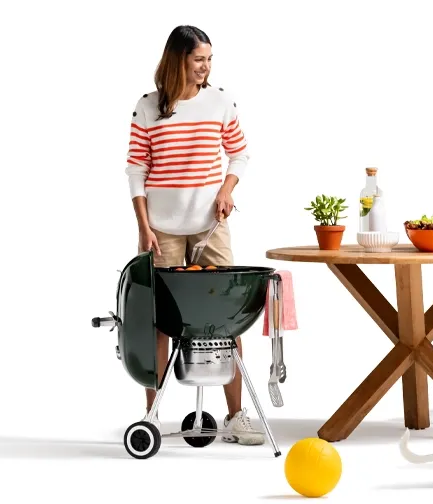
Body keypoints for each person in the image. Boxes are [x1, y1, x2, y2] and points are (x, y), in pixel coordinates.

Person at [121, 25, 263, 446]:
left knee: (228, 318)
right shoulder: (148, 108)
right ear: (177, 60)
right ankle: (151, 415)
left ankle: (236, 415)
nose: (206, 67)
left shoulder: (220, 101)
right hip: (161, 230)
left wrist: (226, 191)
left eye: (209, 59)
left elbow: (239, 152)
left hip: (210, 226)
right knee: (159, 323)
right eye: (199, 59)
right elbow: (136, 170)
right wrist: (143, 226)